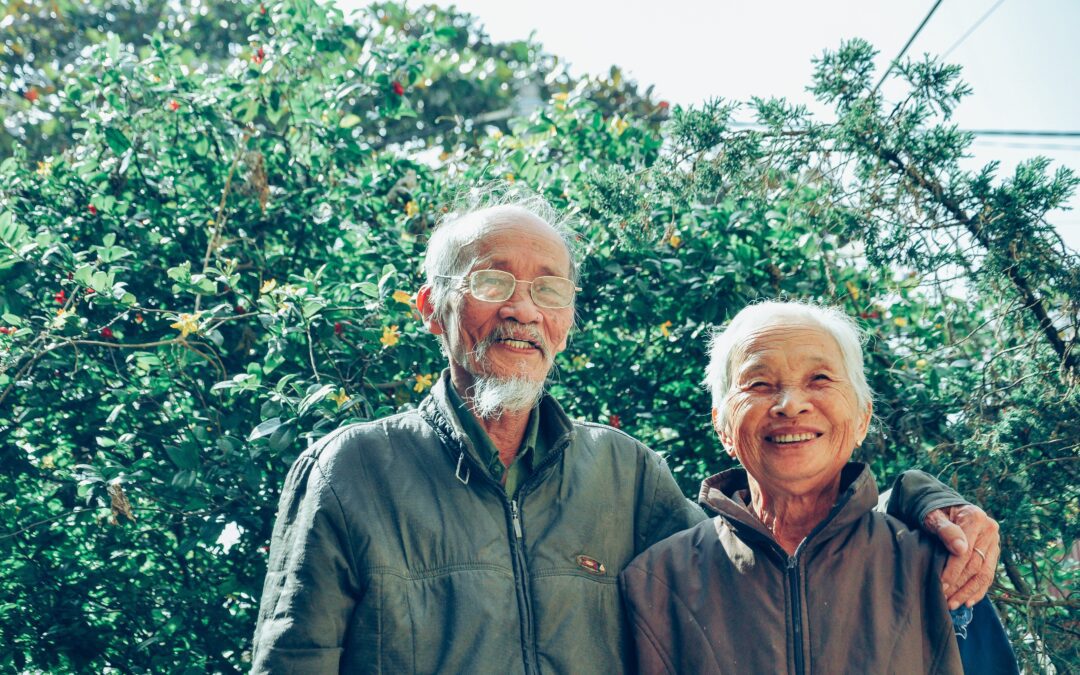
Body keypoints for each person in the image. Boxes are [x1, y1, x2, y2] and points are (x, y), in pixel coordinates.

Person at [251, 190, 1000, 673]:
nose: (521, 308)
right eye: (489, 281)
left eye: (547, 287)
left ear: (567, 320)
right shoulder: (353, 469)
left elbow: (770, 567)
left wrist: (919, 500)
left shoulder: (625, 474)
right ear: (430, 307)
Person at [619, 301, 1017, 674]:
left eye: (820, 379)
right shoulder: (657, 580)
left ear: (862, 418)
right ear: (722, 425)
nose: (790, 404)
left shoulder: (941, 563)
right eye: (759, 384)